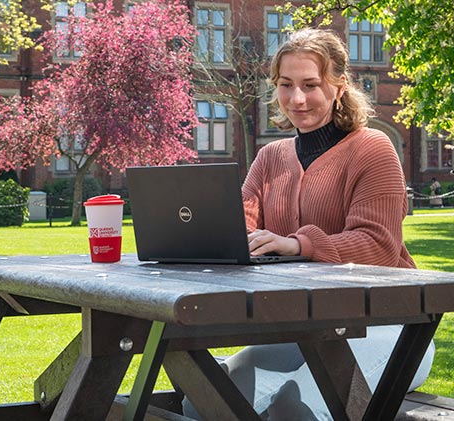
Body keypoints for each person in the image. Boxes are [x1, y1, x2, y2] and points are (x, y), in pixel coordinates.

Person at [182, 28, 434, 420]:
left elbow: (379, 247)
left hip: (387, 329)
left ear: (339, 87)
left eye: (310, 85)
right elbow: (239, 229)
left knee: (290, 410)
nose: (296, 99)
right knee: (206, 395)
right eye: (286, 85)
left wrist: (299, 245)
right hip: (301, 331)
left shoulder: (373, 149)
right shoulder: (270, 157)